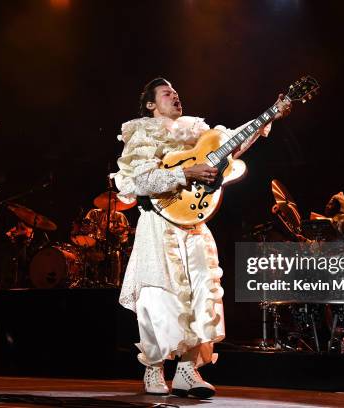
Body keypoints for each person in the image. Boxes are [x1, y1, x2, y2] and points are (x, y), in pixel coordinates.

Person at [112, 78, 291, 398]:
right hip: (159, 224)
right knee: (159, 297)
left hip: (193, 223)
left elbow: (232, 142)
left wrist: (271, 114)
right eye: (167, 93)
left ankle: (186, 371)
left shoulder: (196, 131)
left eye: (177, 92)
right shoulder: (142, 132)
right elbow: (137, 179)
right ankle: (154, 370)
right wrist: (185, 173)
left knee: (201, 295)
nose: (175, 96)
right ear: (151, 104)